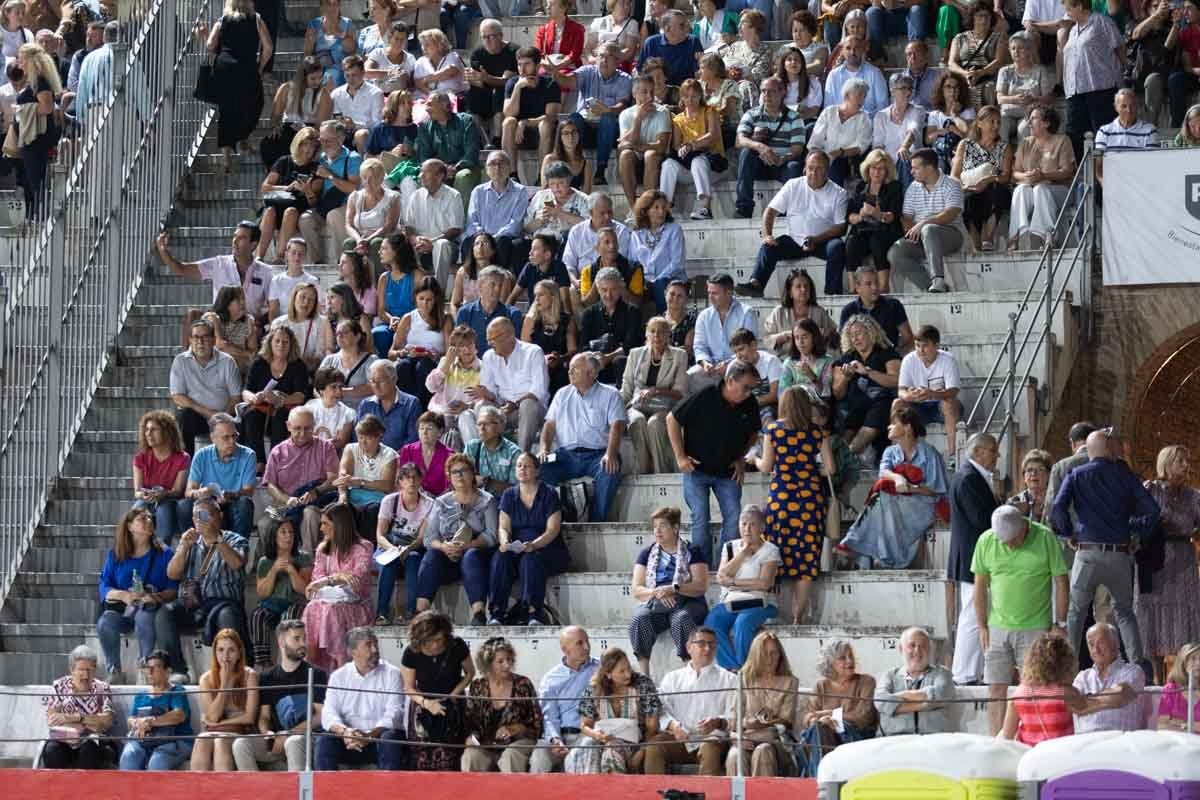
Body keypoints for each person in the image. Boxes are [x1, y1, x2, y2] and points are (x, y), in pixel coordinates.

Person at [1051, 429, 1161, 674]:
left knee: (1076, 612)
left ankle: (1066, 669)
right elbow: (1152, 511)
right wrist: (1135, 533)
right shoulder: (1124, 475)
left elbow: (1057, 507)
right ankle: (1136, 668)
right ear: (1108, 449)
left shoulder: (1076, 475)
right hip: (1119, 553)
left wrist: (1067, 533)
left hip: (1087, 552)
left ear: (1089, 451)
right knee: (1124, 612)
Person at [972, 504, 1070, 735]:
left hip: (1035, 629)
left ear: (1023, 528)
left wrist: (1060, 623)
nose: (1006, 545)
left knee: (1036, 687)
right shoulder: (987, 540)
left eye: (1011, 540)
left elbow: (1061, 581)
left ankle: (1035, 738)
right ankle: (996, 743)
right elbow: (979, 585)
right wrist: (982, 624)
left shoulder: (1045, 537)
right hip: (997, 628)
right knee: (996, 688)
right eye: (1002, 541)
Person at [669, 362, 763, 566]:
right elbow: (672, 419)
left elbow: (754, 431)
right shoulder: (705, 395)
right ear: (730, 381)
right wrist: (680, 456)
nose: (749, 393)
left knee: (734, 517)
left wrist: (741, 457)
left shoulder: (750, 403)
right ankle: (701, 568)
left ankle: (725, 565)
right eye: (746, 387)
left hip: (728, 470)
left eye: (751, 389)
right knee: (700, 518)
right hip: (696, 470)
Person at [753, 386, 833, 625]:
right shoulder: (818, 433)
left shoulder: (773, 430)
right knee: (807, 559)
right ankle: (800, 614)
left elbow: (767, 467)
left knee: (775, 552)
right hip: (810, 500)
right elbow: (830, 468)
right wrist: (808, 469)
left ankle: (774, 611)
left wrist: (753, 459)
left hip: (782, 499)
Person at [840, 405, 949, 569]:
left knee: (882, 500)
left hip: (924, 503)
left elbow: (935, 489)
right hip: (896, 500)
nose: (888, 427)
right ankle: (878, 556)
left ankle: (857, 547)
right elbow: (883, 472)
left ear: (907, 427)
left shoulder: (929, 453)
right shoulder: (890, 451)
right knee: (883, 498)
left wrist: (910, 488)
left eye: (893, 423)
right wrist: (897, 477)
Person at [161, 498, 250, 681]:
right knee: (165, 612)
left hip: (224, 602)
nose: (199, 520)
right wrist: (184, 547)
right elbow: (172, 574)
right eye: (195, 516)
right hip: (193, 604)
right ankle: (178, 670)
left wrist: (217, 540)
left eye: (204, 515)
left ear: (219, 516)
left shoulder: (235, 539)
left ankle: (232, 672)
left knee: (228, 615)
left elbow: (237, 563)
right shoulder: (190, 541)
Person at [742, 150, 848, 299]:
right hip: (794, 240)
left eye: (819, 168)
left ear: (827, 170)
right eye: (810, 168)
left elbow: (840, 227)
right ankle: (756, 284)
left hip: (823, 241)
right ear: (805, 169)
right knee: (768, 247)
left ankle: (832, 293)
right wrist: (767, 235)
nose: (814, 172)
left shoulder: (839, 193)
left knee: (837, 247)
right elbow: (770, 211)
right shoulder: (793, 185)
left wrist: (815, 239)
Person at [538, 353, 628, 523]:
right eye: (569, 368)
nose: (569, 372)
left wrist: (611, 453)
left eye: (575, 369)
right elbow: (549, 426)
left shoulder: (610, 394)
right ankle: (552, 518)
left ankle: (596, 522)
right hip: (565, 455)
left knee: (610, 470)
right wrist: (544, 449)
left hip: (598, 454)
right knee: (538, 467)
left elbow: (618, 425)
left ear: (592, 373)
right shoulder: (562, 394)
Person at [1137, 445, 1200, 683]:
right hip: (1154, 557)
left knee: (1185, 616)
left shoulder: (1194, 496)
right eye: (1180, 461)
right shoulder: (1150, 490)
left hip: (1183, 558)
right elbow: (1136, 519)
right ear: (1166, 463)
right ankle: (1154, 679)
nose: (1186, 465)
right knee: (1151, 616)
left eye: (1187, 461)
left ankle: (1184, 681)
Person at [96, 509, 177, 684]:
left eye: (150, 518)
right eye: (142, 518)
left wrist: (155, 597)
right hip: (125, 612)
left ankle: (146, 666)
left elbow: (173, 590)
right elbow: (104, 586)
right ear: (130, 526)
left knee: (143, 616)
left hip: (150, 611)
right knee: (105, 622)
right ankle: (114, 670)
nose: (149, 520)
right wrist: (122, 595)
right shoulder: (116, 555)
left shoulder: (165, 554)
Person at [233, 620, 327, 771]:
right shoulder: (266, 677)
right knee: (241, 744)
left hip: (307, 738)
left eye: (304, 638)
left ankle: (297, 793)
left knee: (293, 742)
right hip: (277, 739)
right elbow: (264, 716)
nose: (302, 643)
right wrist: (266, 732)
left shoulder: (317, 674)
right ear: (282, 642)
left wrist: (287, 734)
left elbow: (319, 717)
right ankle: (252, 793)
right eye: (297, 639)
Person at [489, 452, 570, 625]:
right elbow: (503, 526)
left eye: (526, 466)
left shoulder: (549, 493)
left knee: (530, 559)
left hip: (547, 547)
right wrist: (504, 542)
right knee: (500, 558)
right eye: (519, 465)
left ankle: (533, 612)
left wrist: (534, 544)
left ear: (537, 471)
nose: (522, 469)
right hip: (518, 547)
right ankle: (497, 612)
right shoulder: (509, 495)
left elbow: (552, 529)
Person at [417, 454, 498, 625]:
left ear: (472, 474)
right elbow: (429, 538)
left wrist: (467, 546)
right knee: (432, 555)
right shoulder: (441, 501)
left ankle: (478, 613)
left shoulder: (487, 500)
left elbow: (492, 536)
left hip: (476, 551)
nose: (460, 475)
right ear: (449, 476)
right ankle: (420, 612)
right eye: (455, 472)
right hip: (449, 551)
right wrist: (444, 547)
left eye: (464, 471)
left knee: (471, 556)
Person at [628, 507, 711, 673]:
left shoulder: (692, 550)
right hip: (657, 603)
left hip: (687, 601)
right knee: (639, 620)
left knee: (681, 619)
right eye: (655, 526)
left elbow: (701, 586)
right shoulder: (647, 553)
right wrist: (657, 592)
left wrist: (674, 589)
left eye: (663, 526)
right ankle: (645, 675)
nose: (657, 530)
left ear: (675, 528)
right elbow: (636, 589)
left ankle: (688, 671)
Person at [643, 627, 736, 776]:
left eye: (712, 645)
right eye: (702, 644)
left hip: (712, 739)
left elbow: (734, 715)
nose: (707, 649)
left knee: (710, 746)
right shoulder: (672, 678)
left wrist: (717, 722)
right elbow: (661, 711)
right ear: (688, 647)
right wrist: (673, 726)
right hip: (680, 737)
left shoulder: (729, 679)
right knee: (655, 746)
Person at [948, 432, 1000, 685]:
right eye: (993, 450)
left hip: (973, 556)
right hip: (972, 556)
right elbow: (981, 519)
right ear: (978, 451)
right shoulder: (969, 478)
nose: (997, 456)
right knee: (972, 614)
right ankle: (965, 673)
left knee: (977, 614)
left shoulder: (972, 476)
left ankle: (972, 671)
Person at [317, 627, 407, 769]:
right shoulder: (338, 676)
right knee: (325, 740)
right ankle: (325, 790)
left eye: (375, 644)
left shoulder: (392, 674)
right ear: (353, 652)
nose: (375, 650)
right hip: (349, 741)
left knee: (390, 738)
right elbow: (329, 714)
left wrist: (369, 735)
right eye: (368, 645)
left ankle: (390, 789)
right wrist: (346, 732)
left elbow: (395, 714)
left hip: (378, 739)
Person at [704, 505, 781, 671]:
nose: (747, 528)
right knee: (712, 622)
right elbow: (721, 576)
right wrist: (743, 553)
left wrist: (733, 583)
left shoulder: (770, 550)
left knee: (743, 622)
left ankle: (746, 669)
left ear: (762, 527)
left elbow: (764, 583)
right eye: (743, 523)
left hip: (760, 602)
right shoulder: (730, 547)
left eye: (752, 524)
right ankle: (733, 668)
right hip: (732, 601)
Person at [564, 645, 660, 775]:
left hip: (635, 743)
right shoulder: (594, 689)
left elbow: (652, 727)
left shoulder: (643, 684)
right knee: (586, 747)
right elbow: (585, 725)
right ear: (608, 674)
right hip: (602, 741)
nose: (628, 674)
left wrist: (641, 752)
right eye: (621, 671)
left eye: (628, 668)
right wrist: (596, 734)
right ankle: (590, 790)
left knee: (611, 752)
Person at [199, 2, 271, 173]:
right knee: (255, 103)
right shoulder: (256, 20)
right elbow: (268, 47)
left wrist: (204, 34)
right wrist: (260, 67)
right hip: (246, 68)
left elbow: (210, 46)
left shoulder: (222, 20)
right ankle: (243, 137)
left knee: (227, 110)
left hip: (224, 68)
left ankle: (226, 157)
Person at [301, 503, 374, 672]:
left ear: (339, 525)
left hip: (357, 606)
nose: (321, 528)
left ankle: (338, 667)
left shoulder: (363, 547)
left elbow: (357, 580)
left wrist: (330, 580)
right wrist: (337, 577)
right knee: (312, 607)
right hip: (328, 603)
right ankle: (310, 666)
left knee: (330, 610)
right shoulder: (322, 549)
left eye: (325, 523)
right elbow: (316, 582)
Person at [401, 611, 476, 770]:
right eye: (429, 640)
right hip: (423, 704)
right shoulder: (411, 652)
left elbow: (470, 673)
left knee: (450, 755)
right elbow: (408, 687)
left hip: (452, 700)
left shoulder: (456, 645)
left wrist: (453, 696)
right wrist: (426, 703)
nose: (435, 645)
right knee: (422, 756)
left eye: (439, 639)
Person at [888, 147, 966, 294]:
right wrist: (913, 231)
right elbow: (906, 218)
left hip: (951, 235)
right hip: (922, 238)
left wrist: (923, 223)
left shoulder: (952, 184)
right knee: (895, 253)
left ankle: (938, 279)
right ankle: (930, 286)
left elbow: (950, 214)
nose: (911, 172)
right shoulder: (913, 187)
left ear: (929, 167)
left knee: (929, 229)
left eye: (916, 168)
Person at [794, 640, 877, 776]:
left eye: (851, 656)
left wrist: (831, 717)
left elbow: (864, 716)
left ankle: (818, 780)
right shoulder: (821, 686)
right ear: (830, 662)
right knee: (818, 729)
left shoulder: (866, 682)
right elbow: (807, 717)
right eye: (843, 658)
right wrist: (821, 721)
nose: (850, 661)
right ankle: (822, 780)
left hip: (856, 739)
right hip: (822, 738)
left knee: (820, 729)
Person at [263, 407, 340, 551]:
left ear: (314, 426)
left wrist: (316, 491)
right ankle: (265, 566)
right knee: (264, 524)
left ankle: (307, 561)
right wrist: (288, 499)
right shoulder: (278, 451)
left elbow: (333, 479)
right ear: (288, 426)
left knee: (309, 514)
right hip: (285, 502)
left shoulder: (325, 447)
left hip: (318, 502)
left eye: (307, 429)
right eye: (297, 428)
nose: (302, 434)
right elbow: (270, 485)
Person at [467, 316, 549, 452]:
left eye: (492, 339)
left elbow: (538, 391)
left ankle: (522, 454)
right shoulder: (489, 356)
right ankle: (485, 454)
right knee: (481, 406)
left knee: (528, 405)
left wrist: (515, 404)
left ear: (509, 336)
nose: (489, 344)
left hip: (530, 411)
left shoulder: (533, 352)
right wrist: (488, 395)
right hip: (502, 409)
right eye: (488, 340)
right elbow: (492, 393)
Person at [461, 637, 544, 772]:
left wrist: (516, 728)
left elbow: (537, 725)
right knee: (471, 756)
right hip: (486, 745)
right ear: (488, 664)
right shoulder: (478, 686)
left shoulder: (523, 684)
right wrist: (471, 737)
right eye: (500, 661)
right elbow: (471, 721)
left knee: (510, 755)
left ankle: (512, 792)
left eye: (509, 660)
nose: (507, 665)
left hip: (517, 743)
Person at [722, 631, 798, 777]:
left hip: (774, 741)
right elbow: (733, 720)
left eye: (774, 653)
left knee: (763, 751)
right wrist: (738, 735)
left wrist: (761, 724)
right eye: (764, 654)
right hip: (745, 737)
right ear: (756, 655)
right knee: (734, 756)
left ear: (780, 655)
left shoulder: (790, 682)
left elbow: (788, 721)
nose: (769, 659)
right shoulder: (743, 679)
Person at [558, 43, 633, 186]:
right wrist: (556, 74)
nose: (604, 60)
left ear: (618, 61)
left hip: (610, 130)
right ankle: (573, 166)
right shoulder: (587, 71)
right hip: (585, 126)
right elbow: (569, 81)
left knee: (608, 119)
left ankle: (600, 171)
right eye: (601, 56)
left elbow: (622, 105)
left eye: (609, 57)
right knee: (573, 119)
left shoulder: (625, 79)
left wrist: (607, 110)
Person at [733, 77, 806, 218]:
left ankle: (786, 210)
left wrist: (782, 159)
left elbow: (797, 149)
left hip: (781, 164)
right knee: (746, 153)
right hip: (759, 164)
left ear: (782, 92)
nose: (766, 95)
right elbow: (739, 140)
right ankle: (744, 207)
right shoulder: (752, 114)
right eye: (764, 91)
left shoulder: (794, 117)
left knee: (794, 166)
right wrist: (759, 146)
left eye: (771, 91)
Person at [622, 316, 688, 474]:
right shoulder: (635, 354)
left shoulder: (680, 355)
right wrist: (618, 411)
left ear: (668, 335)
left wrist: (656, 391)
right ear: (646, 334)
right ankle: (643, 471)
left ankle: (661, 473)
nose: (656, 336)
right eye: (652, 331)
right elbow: (627, 387)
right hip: (638, 404)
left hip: (666, 406)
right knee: (637, 420)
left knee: (654, 424)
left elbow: (681, 392)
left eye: (661, 332)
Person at [832, 313, 901, 463]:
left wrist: (868, 372)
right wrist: (845, 378)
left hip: (880, 402)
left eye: (859, 334)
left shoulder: (887, 353)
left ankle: (846, 458)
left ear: (870, 332)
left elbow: (896, 380)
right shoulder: (847, 358)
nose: (855, 339)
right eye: (851, 335)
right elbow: (837, 393)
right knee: (848, 421)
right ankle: (836, 458)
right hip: (855, 405)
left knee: (876, 414)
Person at [240, 326, 312, 468]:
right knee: (251, 415)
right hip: (262, 408)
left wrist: (280, 400)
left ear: (291, 345)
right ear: (270, 343)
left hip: (285, 409)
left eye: (285, 342)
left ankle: (276, 461)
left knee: (281, 416)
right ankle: (259, 462)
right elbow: (246, 391)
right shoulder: (259, 363)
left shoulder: (297, 365)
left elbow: (300, 396)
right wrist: (254, 397)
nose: (281, 345)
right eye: (277, 341)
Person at [1061, 0, 1125, 161]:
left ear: (1080, 6)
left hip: (1100, 88)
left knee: (1102, 136)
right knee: (1074, 134)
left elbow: (1119, 47)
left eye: (1068, 8)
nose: (1066, 11)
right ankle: (1082, 177)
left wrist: (1122, 75)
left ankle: (1104, 180)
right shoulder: (1073, 30)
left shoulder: (1102, 22)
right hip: (1075, 91)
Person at [1008, 104, 1076, 252]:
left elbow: (1067, 171)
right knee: (1020, 189)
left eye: (1033, 118)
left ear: (1046, 122)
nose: (1029, 122)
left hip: (1060, 190)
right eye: (1029, 119)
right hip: (1031, 188)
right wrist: (1026, 176)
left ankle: (1046, 235)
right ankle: (1015, 236)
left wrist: (1044, 176)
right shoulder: (1025, 142)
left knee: (1040, 189)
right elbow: (1015, 173)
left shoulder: (1062, 140)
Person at [531, 626, 599, 773]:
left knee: (583, 750)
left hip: (586, 734)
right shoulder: (551, 679)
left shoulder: (600, 669)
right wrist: (555, 740)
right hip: (560, 735)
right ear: (565, 650)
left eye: (587, 642)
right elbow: (549, 716)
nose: (587, 647)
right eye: (580, 643)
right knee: (539, 756)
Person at [171, 319, 242, 455]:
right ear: (190, 340)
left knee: (242, 422)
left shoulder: (227, 361)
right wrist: (208, 413)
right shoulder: (181, 361)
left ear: (214, 340)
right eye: (196, 337)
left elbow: (236, 397)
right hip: (196, 416)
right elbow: (177, 397)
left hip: (224, 415)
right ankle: (185, 466)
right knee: (184, 416)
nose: (200, 341)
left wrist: (222, 418)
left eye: (205, 337)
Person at [191, 629, 259, 771]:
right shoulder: (206, 679)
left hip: (240, 733)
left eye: (231, 650)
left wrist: (221, 723)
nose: (225, 657)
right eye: (221, 650)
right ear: (214, 653)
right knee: (202, 740)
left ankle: (223, 792)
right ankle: (197, 791)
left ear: (239, 653)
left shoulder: (249, 676)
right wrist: (225, 684)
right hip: (214, 731)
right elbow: (213, 717)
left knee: (220, 741)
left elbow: (249, 718)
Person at [375, 461, 434, 624]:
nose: (412, 482)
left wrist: (407, 549)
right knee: (389, 562)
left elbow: (422, 538)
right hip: (389, 544)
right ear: (400, 481)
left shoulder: (429, 504)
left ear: (421, 480)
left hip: (413, 546)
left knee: (414, 558)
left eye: (415, 478)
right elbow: (380, 535)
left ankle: (411, 613)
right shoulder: (389, 501)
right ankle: (382, 613)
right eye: (407, 478)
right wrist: (394, 549)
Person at [999, 634, 1086, 744]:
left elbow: (1007, 737)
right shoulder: (1066, 692)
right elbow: (1089, 709)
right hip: (1061, 754)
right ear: (1065, 663)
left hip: (1029, 755)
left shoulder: (1019, 694)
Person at [659, 78, 726, 222]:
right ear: (682, 97)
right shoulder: (678, 120)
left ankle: (705, 207)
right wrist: (682, 149)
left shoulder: (710, 111)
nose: (690, 100)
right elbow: (677, 145)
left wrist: (692, 145)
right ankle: (665, 208)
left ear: (700, 96)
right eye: (686, 96)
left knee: (698, 160)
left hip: (713, 165)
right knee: (668, 164)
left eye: (694, 96)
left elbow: (713, 136)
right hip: (689, 166)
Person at [180, 413, 257, 537]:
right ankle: (193, 546)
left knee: (244, 503)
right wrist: (200, 492)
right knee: (184, 505)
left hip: (233, 502)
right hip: (208, 503)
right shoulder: (201, 455)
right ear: (213, 438)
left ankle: (239, 548)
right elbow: (188, 491)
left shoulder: (248, 455)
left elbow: (248, 491)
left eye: (234, 436)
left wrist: (231, 494)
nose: (232, 441)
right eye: (226, 437)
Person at [250, 518, 312, 669]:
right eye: (283, 532)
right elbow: (262, 593)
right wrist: (274, 570)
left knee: (289, 617)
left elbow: (304, 590)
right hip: (272, 605)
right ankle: (263, 663)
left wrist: (291, 571)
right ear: (274, 536)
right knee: (258, 615)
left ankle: (288, 659)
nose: (288, 536)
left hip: (294, 603)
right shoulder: (265, 561)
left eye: (291, 532)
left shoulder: (303, 557)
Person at [299, 119, 362, 265]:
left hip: (348, 205)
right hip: (325, 205)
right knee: (305, 218)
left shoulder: (352, 158)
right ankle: (317, 262)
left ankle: (345, 261)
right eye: (322, 140)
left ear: (341, 139)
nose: (325, 145)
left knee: (333, 215)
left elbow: (354, 188)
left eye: (329, 140)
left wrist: (329, 175)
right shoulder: (321, 159)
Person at [41, 645, 115, 769]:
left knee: (89, 751)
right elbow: (52, 720)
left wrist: (73, 717)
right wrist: (91, 723)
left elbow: (107, 720)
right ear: (72, 669)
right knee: (52, 751)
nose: (86, 675)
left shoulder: (102, 688)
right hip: (64, 741)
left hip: (92, 743)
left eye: (90, 670)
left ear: (95, 669)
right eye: (81, 670)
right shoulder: (59, 686)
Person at [118, 649, 194, 771]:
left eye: (156, 667)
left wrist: (150, 721)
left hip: (175, 741)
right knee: (129, 755)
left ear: (168, 671)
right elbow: (130, 719)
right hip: (144, 741)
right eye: (148, 668)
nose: (150, 672)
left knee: (157, 761)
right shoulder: (140, 695)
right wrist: (137, 723)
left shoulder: (177, 691)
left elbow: (178, 715)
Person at [951, 105, 1012, 251]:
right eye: (992, 122)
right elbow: (954, 175)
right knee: (967, 198)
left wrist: (988, 180)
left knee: (998, 191)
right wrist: (964, 186)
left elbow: (1005, 176)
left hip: (993, 186)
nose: (996, 126)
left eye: (998, 122)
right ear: (979, 123)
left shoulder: (1004, 147)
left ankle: (988, 239)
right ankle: (976, 243)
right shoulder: (965, 145)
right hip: (969, 187)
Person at [874, 627, 955, 735]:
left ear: (929, 650)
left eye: (923, 646)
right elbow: (881, 701)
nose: (917, 651)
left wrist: (896, 699)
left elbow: (942, 694)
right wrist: (926, 705)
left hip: (933, 742)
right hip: (893, 741)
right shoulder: (890, 675)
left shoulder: (942, 673)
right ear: (901, 649)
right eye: (912, 645)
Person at [258, 129, 322, 264]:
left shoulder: (316, 168)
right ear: (298, 144)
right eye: (305, 144)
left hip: (299, 208)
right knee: (269, 211)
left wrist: (306, 190)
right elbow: (265, 187)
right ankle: (259, 256)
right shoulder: (284, 161)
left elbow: (314, 201)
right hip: (278, 204)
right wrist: (288, 188)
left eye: (312, 146)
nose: (308, 149)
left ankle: (280, 257)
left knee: (291, 212)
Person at [688, 273, 759, 394]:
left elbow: (748, 348)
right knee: (689, 377)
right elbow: (699, 346)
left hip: (739, 364)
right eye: (709, 292)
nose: (710, 297)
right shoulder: (703, 316)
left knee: (735, 375)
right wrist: (705, 363)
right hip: (711, 367)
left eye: (715, 293)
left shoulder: (747, 313)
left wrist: (729, 364)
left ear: (729, 293)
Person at [897, 324, 962, 454]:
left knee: (948, 403)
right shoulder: (908, 360)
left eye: (925, 346)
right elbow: (901, 391)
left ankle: (953, 455)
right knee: (897, 404)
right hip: (918, 406)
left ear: (936, 345)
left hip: (941, 406)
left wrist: (931, 393)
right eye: (917, 345)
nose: (920, 350)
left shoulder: (948, 359)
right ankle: (900, 454)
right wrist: (910, 396)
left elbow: (954, 391)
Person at [499, 48, 561, 183]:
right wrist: (517, 88)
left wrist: (525, 122)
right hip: (518, 136)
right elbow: (509, 113)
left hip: (544, 133)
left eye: (527, 64)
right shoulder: (512, 83)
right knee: (508, 122)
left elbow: (551, 116)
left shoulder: (551, 84)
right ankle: (512, 175)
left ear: (538, 66)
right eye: (519, 64)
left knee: (545, 125)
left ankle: (542, 175)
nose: (522, 69)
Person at [463, 152, 531, 275]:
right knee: (468, 242)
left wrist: (493, 239)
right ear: (486, 170)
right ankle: (473, 282)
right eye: (492, 164)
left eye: (501, 163)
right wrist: (483, 238)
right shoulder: (478, 191)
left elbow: (516, 224)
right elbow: (472, 221)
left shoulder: (520, 191)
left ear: (510, 168)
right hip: (482, 238)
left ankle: (497, 281)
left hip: (505, 239)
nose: (497, 168)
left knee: (503, 242)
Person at [1072, 622, 1147, 732]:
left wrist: (1085, 702)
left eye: (1101, 642)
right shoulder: (1083, 677)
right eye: (1091, 644)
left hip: (1120, 742)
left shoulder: (1133, 671)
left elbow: (1119, 695)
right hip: (1085, 742)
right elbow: (1073, 705)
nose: (1095, 650)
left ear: (1116, 643)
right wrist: (1108, 699)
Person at [131, 411, 190, 545]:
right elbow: (137, 491)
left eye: (153, 429)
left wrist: (163, 494)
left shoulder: (182, 458)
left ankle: (162, 551)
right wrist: (145, 494)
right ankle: (136, 549)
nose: (148, 434)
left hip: (170, 501)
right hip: (147, 501)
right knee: (138, 508)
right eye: (146, 429)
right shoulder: (141, 458)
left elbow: (178, 491)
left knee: (164, 508)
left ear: (167, 432)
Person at [390, 276, 449, 406]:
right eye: (421, 299)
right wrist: (403, 352)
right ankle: (407, 407)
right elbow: (392, 352)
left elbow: (449, 351)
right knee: (403, 366)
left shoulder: (445, 319)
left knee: (423, 366)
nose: (425, 303)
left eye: (429, 300)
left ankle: (422, 407)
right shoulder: (408, 318)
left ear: (436, 300)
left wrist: (433, 355)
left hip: (433, 363)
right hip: (409, 360)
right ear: (415, 298)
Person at [404, 158, 464, 287]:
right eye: (421, 172)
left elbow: (456, 229)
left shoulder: (453, 196)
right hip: (419, 245)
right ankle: (411, 294)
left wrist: (432, 242)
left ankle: (439, 292)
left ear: (440, 176)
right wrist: (416, 240)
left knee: (441, 245)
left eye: (425, 172)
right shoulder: (416, 196)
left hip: (446, 245)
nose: (421, 176)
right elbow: (409, 227)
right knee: (401, 244)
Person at [414, 91, 482, 204]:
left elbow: (471, 152)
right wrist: (443, 170)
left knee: (463, 177)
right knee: (423, 177)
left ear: (445, 106)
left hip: (464, 168)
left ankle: (462, 220)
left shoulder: (465, 121)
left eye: (430, 104)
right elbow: (424, 157)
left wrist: (456, 168)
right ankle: (429, 220)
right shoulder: (425, 127)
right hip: (438, 170)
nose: (426, 109)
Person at [615, 75, 670, 214]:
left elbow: (661, 146)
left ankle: (647, 206)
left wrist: (636, 146)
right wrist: (638, 119)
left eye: (652, 92)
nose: (649, 96)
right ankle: (634, 209)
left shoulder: (662, 112)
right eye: (644, 92)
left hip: (655, 161)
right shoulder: (626, 114)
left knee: (650, 154)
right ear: (634, 94)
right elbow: (622, 146)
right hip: (634, 161)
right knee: (625, 155)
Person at [579, 267, 643, 385]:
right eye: (604, 290)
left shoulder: (633, 312)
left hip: (624, 367)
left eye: (613, 289)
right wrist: (596, 358)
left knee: (620, 361)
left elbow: (632, 345)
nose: (608, 295)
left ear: (620, 289)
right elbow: (583, 346)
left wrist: (607, 357)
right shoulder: (588, 314)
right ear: (598, 290)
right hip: (595, 365)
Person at [339, 414, 401, 536]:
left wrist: (360, 482)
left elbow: (387, 486)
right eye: (360, 437)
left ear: (379, 436)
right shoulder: (350, 449)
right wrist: (342, 496)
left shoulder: (389, 455)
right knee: (340, 509)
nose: (363, 442)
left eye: (368, 438)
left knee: (372, 511)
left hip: (376, 500)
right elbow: (343, 477)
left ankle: (367, 549)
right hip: (352, 496)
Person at [809, 79, 873, 188]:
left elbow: (861, 147)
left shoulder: (864, 119)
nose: (862, 100)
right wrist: (812, 160)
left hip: (847, 159)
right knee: (814, 167)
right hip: (823, 156)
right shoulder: (829, 112)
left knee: (835, 166)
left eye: (864, 96)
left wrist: (839, 153)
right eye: (859, 95)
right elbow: (815, 141)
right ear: (847, 95)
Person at [521, 276, 577, 395]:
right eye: (535, 295)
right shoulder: (530, 320)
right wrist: (543, 360)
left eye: (541, 295)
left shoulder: (567, 320)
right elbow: (524, 351)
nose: (536, 299)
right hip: (536, 366)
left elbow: (573, 350)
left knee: (562, 373)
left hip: (560, 366)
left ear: (553, 296)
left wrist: (559, 358)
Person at [427, 325, 483, 444]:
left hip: (468, 413)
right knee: (438, 424)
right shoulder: (445, 363)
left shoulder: (483, 367)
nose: (467, 349)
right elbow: (431, 387)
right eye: (462, 346)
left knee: (465, 416)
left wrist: (468, 406)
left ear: (475, 346)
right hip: (444, 413)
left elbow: (484, 398)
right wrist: (446, 365)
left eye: (470, 344)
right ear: (454, 349)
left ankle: (474, 455)